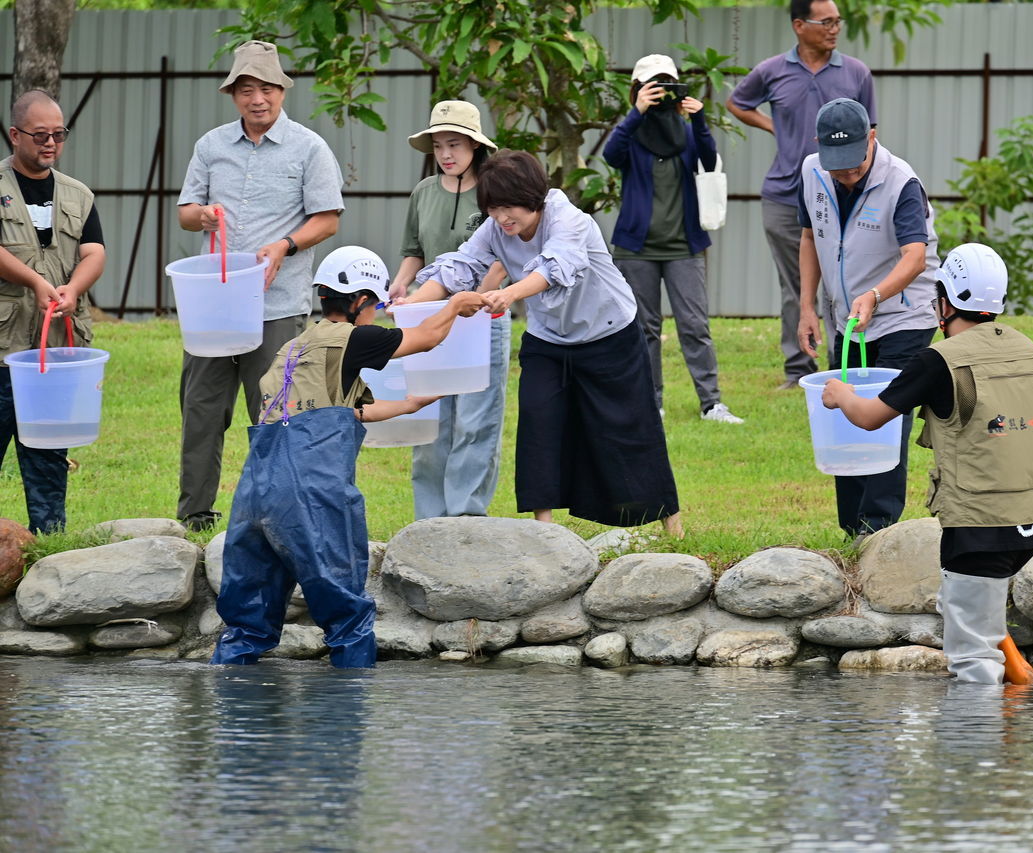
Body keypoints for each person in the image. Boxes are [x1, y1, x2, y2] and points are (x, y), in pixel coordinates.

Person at [211, 246, 486, 668]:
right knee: (345, 613)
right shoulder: (355, 338)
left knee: (247, 621)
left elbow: (344, 412)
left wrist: (409, 405)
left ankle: (233, 699)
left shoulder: (295, 347)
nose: (375, 313)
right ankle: (348, 703)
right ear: (359, 301)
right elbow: (428, 337)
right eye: (374, 304)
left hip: (257, 491)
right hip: (311, 488)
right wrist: (456, 303)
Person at [404, 150, 683, 536]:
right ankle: (545, 534)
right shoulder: (494, 229)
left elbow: (555, 266)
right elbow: (460, 267)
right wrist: (411, 305)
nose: (502, 218)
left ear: (533, 196)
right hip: (548, 338)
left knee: (631, 429)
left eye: (509, 207)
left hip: (609, 333)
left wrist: (510, 294)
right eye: (494, 208)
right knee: (539, 425)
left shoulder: (569, 220)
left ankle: (673, 526)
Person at [822, 244, 1033, 685]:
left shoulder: (938, 360)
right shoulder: (1031, 352)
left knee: (971, 659)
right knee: (964, 607)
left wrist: (840, 395)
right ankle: (1021, 695)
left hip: (978, 526)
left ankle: (974, 750)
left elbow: (871, 418)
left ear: (945, 302)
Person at [175, 40, 345, 532]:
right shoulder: (211, 146)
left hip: (277, 304)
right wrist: (202, 215)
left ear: (282, 91)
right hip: (214, 308)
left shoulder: (309, 147)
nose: (258, 99)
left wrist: (284, 245)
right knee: (201, 411)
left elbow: (328, 219)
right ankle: (195, 517)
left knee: (273, 413)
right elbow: (187, 213)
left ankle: (273, 517)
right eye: (247, 89)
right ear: (233, 94)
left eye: (268, 88)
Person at [796, 98, 939, 538]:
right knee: (843, 411)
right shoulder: (811, 171)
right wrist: (806, 306)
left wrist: (876, 295)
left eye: (854, 166)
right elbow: (808, 235)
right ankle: (851, 526)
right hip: (848, 319)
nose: (845, 174)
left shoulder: (901, 183)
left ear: (872, 138)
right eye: (837, 165)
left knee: (885, 415)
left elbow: (915, 257)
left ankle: (877, 529)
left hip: (902, 317)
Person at [728, 0, 876, 390]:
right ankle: (798, 372)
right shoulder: (772, 71)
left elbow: (871, 134)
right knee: (796, 287)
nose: (834, 28)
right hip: (782, 195)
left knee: (842, 282)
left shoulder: (856, 73)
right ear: (799, 25)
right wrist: (774, 126)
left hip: (842, 196)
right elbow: (737, 103)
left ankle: (839, 367)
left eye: (837, 21)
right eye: (826, 21)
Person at [388, 100, 511, 520]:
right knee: (429, 415)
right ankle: (429, 520)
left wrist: (476, 299)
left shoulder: (494, 191)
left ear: (475, 146)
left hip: (485, 315)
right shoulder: (424, 192)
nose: (445, 154)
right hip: (428, 317)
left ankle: (466, 517)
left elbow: (502, 258)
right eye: (438, 145)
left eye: (454, 144)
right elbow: (413, 253)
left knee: (476, 421)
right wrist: (403, 283)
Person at [604, 54, 743, 424]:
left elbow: (710, 161)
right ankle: (651, 402)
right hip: (637, 248)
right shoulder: (631, 133)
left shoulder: (685, 131)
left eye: (667, 85)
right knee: (643, 329)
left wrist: (697, 119)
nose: (661, 93)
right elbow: (610, 155)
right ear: (638, 89)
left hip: (685, 245)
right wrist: (636, 112)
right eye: (653, 86)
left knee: (695, 326)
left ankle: (711, 403)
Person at [0, 90, 106, 534]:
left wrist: (73, 288)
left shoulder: (78, 194)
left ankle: (49, 543)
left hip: (56, 351)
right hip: (4, 348)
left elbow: (95, 252)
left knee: (47, 452)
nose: (50, 143)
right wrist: (36, 282)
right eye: (40, 135)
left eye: (58, 135)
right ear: (14, 135)